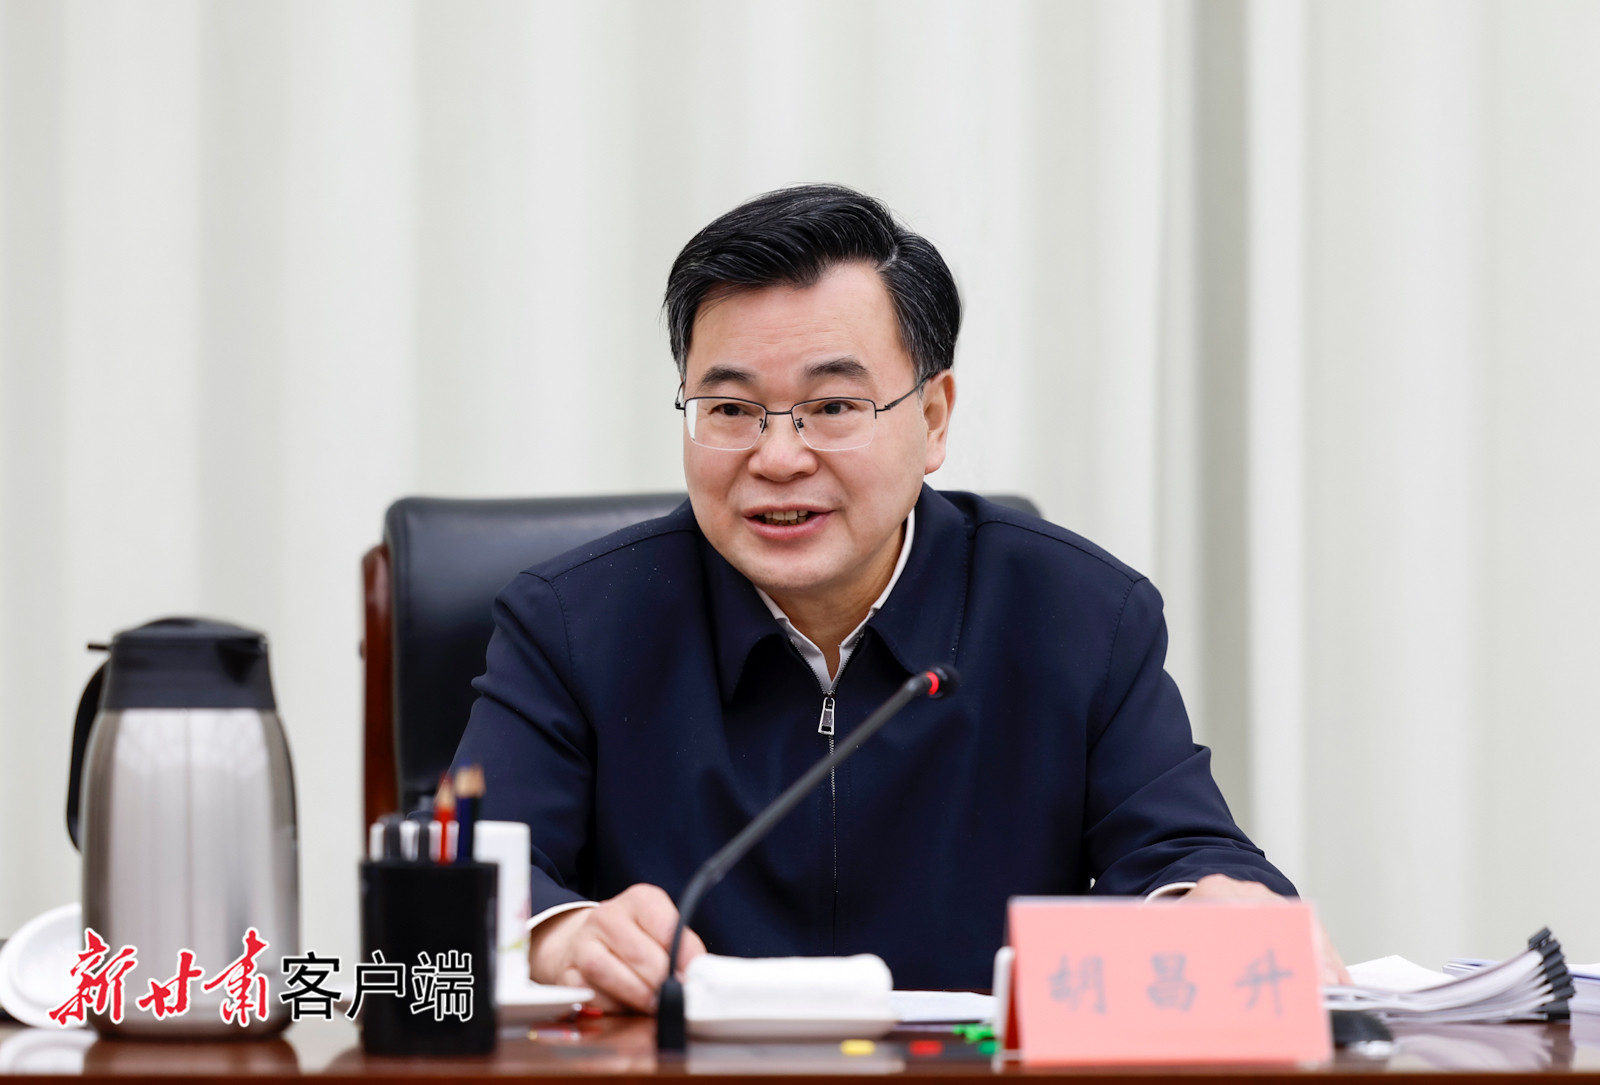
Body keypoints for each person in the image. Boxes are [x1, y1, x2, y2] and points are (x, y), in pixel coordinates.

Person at [452, 184, 1344, 1013]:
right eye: (729, 410)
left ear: (934, 418)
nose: (777, 458)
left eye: (833, 406)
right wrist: (560, 934)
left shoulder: (1079, 615)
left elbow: (1180, 847)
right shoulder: (575, 624)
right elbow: (462, 866)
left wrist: (1206, 903)